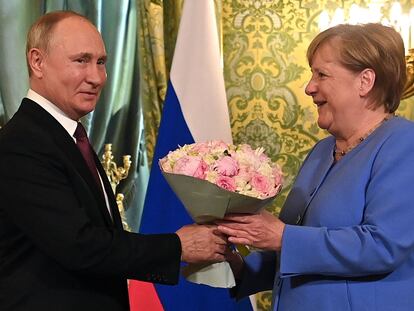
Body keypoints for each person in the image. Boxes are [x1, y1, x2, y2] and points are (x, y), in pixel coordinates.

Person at [0, 11, 227, 311]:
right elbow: (78, 245)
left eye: (101, 62)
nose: (96, 78)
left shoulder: (65, 135)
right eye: (81, 60)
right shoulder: (22, 143)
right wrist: (178, 246)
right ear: (37, 62)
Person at [218, 23, 414, 311]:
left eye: (321, 74)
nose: (309, 87)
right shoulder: (323, 150)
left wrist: (281, 236)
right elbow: (299, 245)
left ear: (365, 81)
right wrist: (240, 267)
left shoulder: (404, 143)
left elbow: (382, 245)